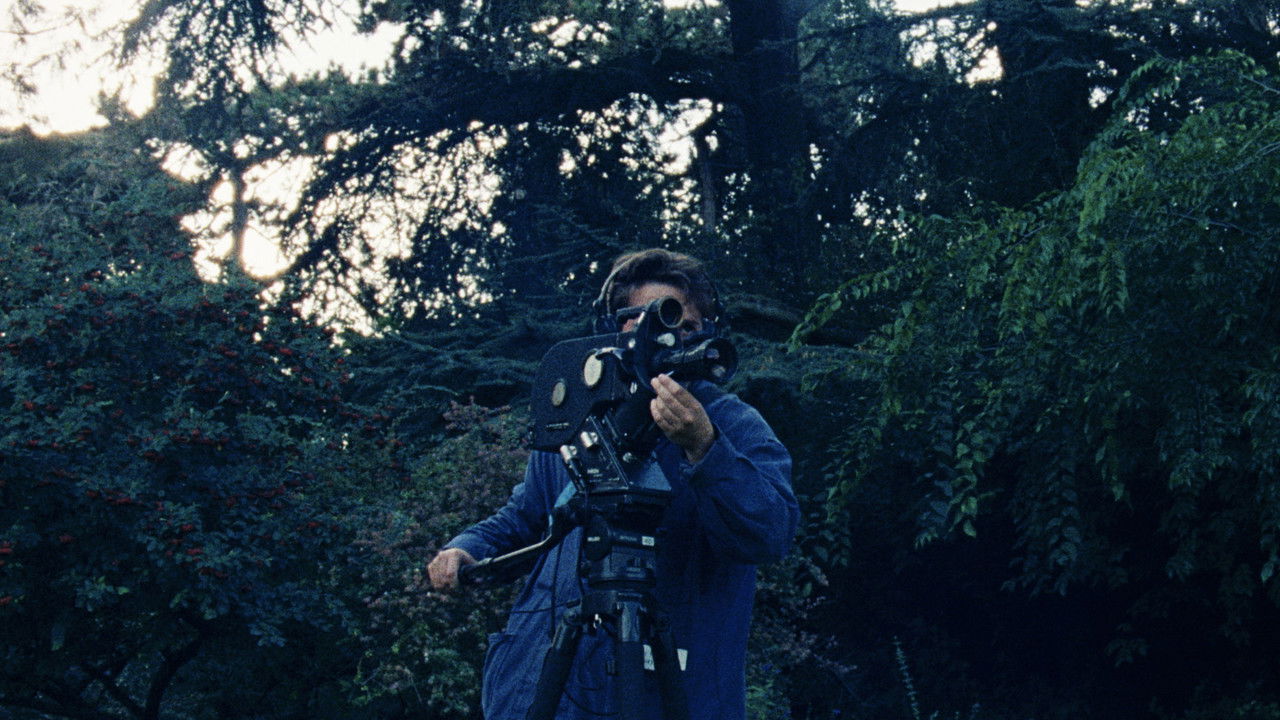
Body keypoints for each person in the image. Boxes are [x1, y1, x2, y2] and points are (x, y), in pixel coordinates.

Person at [427, 248, 798, 720]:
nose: (663, 336)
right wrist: (467, 547)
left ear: (706, 334)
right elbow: (527, 516)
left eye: (683, 325)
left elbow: (771, 532)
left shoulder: (730, 423)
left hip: (664, 693)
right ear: (613, 327)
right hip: (546, 687)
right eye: (643, 320)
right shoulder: (578, 415)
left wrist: (705, 447)